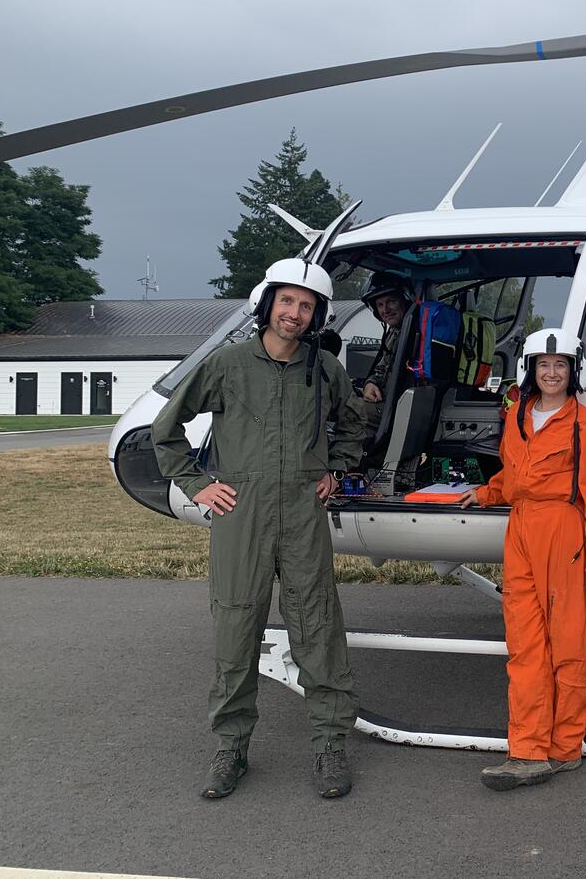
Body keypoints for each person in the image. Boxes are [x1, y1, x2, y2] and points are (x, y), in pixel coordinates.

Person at [152, 258, 366, 800]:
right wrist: (197, 484)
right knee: (236, 629)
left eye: (307, 305)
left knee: (317, 626)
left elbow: (353, 422)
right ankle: (231, 747)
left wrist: (337, 468)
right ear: (268, 304)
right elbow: (166, 428)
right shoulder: (227, 364)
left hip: (302, 511)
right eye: (287, 301)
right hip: (240, 512)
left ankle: (330, 744)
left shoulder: (325, 369)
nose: (295, 313)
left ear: (318, 315)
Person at [459, 328, 586, 791]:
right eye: (544, 365)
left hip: (566, 535)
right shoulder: (517, 416)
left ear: (573, 371)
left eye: (560, 365)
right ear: (530, 369)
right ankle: (527, 751)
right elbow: (513, 476)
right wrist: (485, 493)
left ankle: (564, 749)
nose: (551, 373)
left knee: (569, 647)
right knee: (525, 646)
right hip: (522, 532)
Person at [358, 271, 412, 439]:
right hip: (386, 403)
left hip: (397, 410)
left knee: (340, 409)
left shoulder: (414, 334)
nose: (386, 310)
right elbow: (381, 368)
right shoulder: (394, 333)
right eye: (380, 305)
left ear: (404, 300)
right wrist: (370, 383)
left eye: (391, 302)